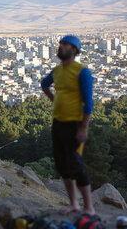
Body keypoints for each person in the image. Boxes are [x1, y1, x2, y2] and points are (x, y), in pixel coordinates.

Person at [41, 35, 95, 215]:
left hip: (75, 124)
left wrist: (84, 128)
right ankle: (74, 204)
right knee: (62, 164)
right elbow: (44, 85)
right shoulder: (57, 71)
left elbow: (88, 103)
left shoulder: (82, 72)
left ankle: (89, 207)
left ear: (74, 50)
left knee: (76, 164)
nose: (61, 47)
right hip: (58, 123)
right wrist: (55, 101)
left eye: (65, 44)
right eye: (60, 44)